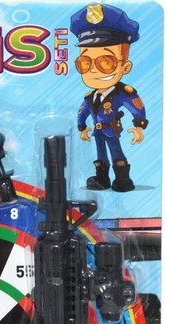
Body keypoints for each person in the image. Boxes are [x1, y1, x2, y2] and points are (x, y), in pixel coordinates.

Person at [71, 4, 148, 192]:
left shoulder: (122, 92)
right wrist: (82, 127)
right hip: (97, 132)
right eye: (85, 63)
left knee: (116, 152)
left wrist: (139, 127)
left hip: (111, 130)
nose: (93, 70)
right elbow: (83, 112)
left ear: (125, 67)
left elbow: (136, 108)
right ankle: (102, 178)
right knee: (100, 155)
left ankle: (122, 180)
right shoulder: (90, 97)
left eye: (106, 62)